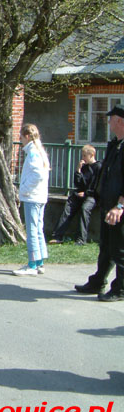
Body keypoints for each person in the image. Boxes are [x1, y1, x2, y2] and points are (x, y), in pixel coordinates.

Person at [75, 104, 124, 302]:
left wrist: (120, 206)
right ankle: (98, 281)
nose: (109, 121)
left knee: (120, 250)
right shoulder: (115, 144)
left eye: (111, 118)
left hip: (118, 209)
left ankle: (120, 289)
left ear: (120, 120)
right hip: (107, 205)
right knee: (106, 247)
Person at [13, 123, 50, 276]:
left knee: (32, 231)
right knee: (38, 229)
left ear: (27, 136)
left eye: (21, 137)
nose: (20, 140)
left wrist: (25, 189)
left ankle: (32, 264)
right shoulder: (40, 151)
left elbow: (38, 175)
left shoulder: (33, 152)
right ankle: (40, 261)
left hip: (33, 197)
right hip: (40, 196)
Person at [49, 144, 101, 245]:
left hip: (92, 195)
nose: (83, 158)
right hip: (80, 193)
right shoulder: (84, 167)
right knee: (68, 207)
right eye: (82, 155)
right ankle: (57, 236)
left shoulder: (98, 167)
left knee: (85, 209)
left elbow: (97, 186)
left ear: (92, 155)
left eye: (85, 156)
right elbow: (78, 183)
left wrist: (86, 193)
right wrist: (78, 171)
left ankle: (81, 239)